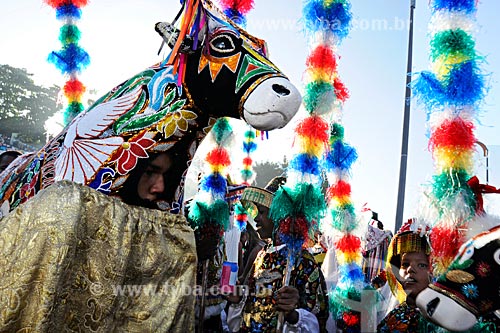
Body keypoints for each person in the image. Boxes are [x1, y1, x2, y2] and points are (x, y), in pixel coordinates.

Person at [226, 177, 329, 333]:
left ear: (281, 217)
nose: (255, 218)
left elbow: (319, 318)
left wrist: (293, 315)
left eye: (261, 212)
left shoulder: (304, 262)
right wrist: (239, 299)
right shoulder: (261, 255)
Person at [377, 218, 431, 333]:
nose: (410, 269)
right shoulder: (394, 316)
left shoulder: (442, 321)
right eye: (405, 264)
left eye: (421, 265)